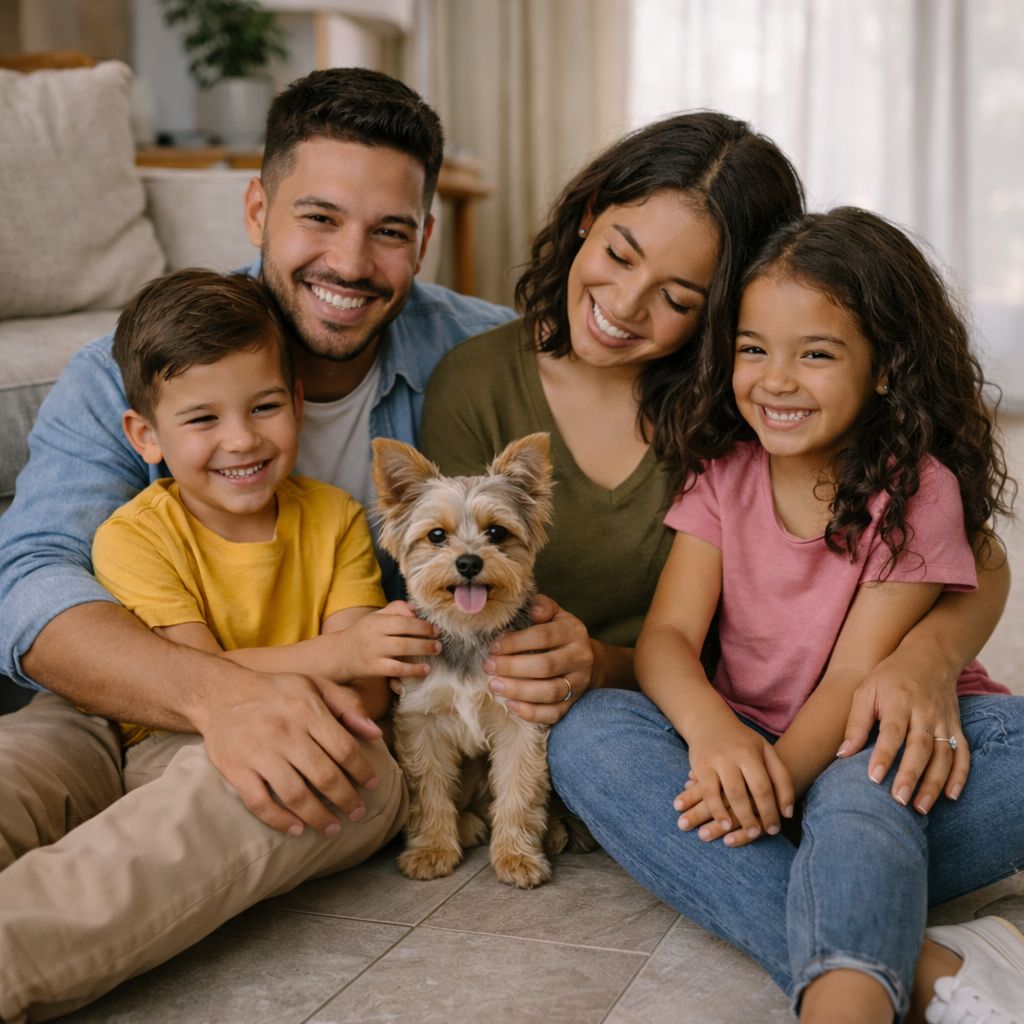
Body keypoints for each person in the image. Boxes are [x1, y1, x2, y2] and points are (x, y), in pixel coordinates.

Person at [0, 67, 545, 1021]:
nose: (350, 262)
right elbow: (31, 583)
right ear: (258, 208)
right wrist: (215, 696)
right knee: (17, 772)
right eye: (319, 217)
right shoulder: (131, 367)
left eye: (389, 231)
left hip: (334, 717)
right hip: (115, 696)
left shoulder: (484, 360)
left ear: (424, 238)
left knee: (272, 783)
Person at [552, 208, 1024, 1024]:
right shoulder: (723, 471)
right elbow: (668, 638)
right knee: (587, 735)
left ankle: (847, 976)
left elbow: (853, 678)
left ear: (885, 367)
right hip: (753, 743)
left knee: (870, 791)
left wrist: (770, 796)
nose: (775, 380)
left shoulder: (916, 489)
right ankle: (911, 953)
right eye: (753, 349)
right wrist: (715, 736)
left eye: (816, 354)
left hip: (882, 738)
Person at [421, 111, 806, 714]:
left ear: (722, 313)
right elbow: (448, 618)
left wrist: (600, 665)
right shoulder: (475, 384)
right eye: (620, 255)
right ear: (588, 215)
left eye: (675, 298)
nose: (625, 306)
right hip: (508, 719)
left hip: (691, 714)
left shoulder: (745, 412)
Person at [95, 268, 440, 745]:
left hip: (317, 727)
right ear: (146, 436)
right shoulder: (135, 537)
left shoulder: (336, 518)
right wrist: (338, 654)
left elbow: (369, 693)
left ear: (297, 405)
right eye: (202, 418)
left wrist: (353, 658)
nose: (241, 440)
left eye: (264, 408)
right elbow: (198, 680)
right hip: (179, 735)